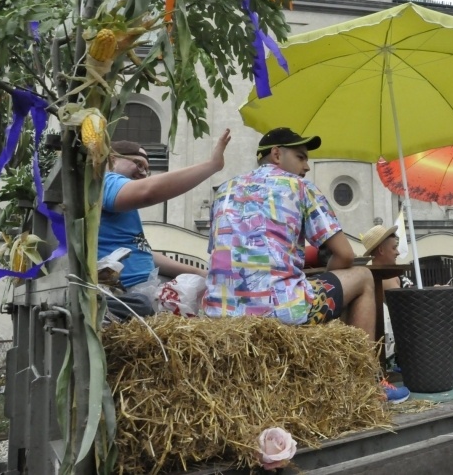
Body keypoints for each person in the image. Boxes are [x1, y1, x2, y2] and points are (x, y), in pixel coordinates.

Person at [202, 127, 409, 404]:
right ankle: (366, 384)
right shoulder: (300, 187)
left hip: (219, 314)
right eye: (301, 157)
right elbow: (345, 255)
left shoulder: (223, 190)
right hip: (279, 309)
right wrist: (326, 276)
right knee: (361, 277)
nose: (307, 167)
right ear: (276, 154)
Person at [99, 133, 231, 319]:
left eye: (147, 169)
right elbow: (148, 192)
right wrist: (211, 166)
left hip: (141, 292)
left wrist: (198, 271)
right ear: (112, 160)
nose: (143, 173)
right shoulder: (106, 182)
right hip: (124, 298)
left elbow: (140, 252)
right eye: (138, 163)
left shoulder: (122, 209)